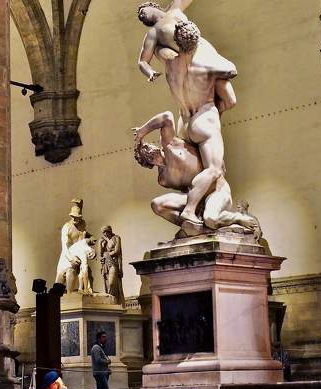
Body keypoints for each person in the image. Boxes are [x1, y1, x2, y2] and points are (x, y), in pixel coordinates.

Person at [137, 1, 237, 226]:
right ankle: (190, 211)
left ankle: (195, 217)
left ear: (155, 5)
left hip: (185, 119)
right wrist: (215, 111)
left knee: (193, 177)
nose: (143, 17)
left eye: (143, 12)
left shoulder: (168, 56)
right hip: (203, 116)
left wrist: (153, 65)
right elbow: (231, 97)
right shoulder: (204, 64)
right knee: (213, 170)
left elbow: (144, 60)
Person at [132, 111, 260, 235]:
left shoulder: (171, 143)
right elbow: (187, 190)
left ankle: (236, 218)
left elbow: (166, 117)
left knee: (211, 219)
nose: (146, 150)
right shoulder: (164, 179)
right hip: (196, 200)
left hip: (216, 191)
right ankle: (196, 229)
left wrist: (142, 131)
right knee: (157, 205)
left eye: (146, 146)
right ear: (146, 163)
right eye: (142, 153)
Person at [55, 198, 95, 294]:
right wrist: (71, 258)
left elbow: (84, 235)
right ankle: (68, 296)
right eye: (72, 217)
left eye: (77, 217)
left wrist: (91, 238)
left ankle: (87, 291)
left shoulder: (82, 224)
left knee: (88, 274)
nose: (74, 219)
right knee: (66, 276)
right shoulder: (67, 227)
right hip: (68, 256)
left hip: (80, 254)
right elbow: (64, 246)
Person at [98, 225, 125, 305]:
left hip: (114, 263)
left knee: (111, 283)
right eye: (103, 233)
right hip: (106, 264)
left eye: (106, 232)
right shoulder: (104, 241)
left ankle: (115, 301)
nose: (105, 234)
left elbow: (117, 251)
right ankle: (112, 302)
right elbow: (100, 254)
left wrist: (107, 254)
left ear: (109, 231)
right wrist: (100, 244)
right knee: (107, 284)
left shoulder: (116, 238)